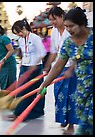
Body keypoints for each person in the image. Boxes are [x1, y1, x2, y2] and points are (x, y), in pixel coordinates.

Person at [37, 7, 93, 135]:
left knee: (86, 125)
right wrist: (44, 85)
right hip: (82, 91)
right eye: (67, 26)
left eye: (72, 26)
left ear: (82, 24)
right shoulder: (68, 43)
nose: (68, 29)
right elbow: (58, 66)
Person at [43, 6, 79, 134]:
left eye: (54, 19)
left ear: (62, 17)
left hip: (72, 68)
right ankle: (64, 119)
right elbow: (53, 51)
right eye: (50, 20)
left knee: (71, 96)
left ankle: (71, 124)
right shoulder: (53, 31)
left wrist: (72, 67)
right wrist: (47, 67)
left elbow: (77, 51)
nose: (53, 22)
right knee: (59, 94)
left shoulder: (71, 31)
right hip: (59, 67)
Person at [8, 18, 47, 121]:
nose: (18, 35)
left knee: (35, 90)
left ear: (24, 28)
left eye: (19, 32)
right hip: (25, 67)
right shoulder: (21, 40)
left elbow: (42, 52)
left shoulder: (35, 38)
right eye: (16, 34)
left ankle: (36, 111)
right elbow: (23, 54)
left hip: (35, 68)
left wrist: (34, 64)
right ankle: (18, 112)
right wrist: (21, 63)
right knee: (21, 89)